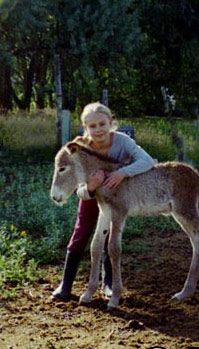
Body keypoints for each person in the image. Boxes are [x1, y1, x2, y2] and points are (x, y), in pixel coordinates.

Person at [52, 101, 155, 301]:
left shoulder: (122, 141)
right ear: (85, 128)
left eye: (102, 124)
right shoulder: (79, 147)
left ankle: (108, 282)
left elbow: (147, 161)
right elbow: (77, 186)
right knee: (82, 231)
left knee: (111, 232)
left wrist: (121, 173)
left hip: (115, 192)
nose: (98, 130)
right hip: (92, 193)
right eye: (92, 126)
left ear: (110, 122)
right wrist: (91, 187)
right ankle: (66, 283)